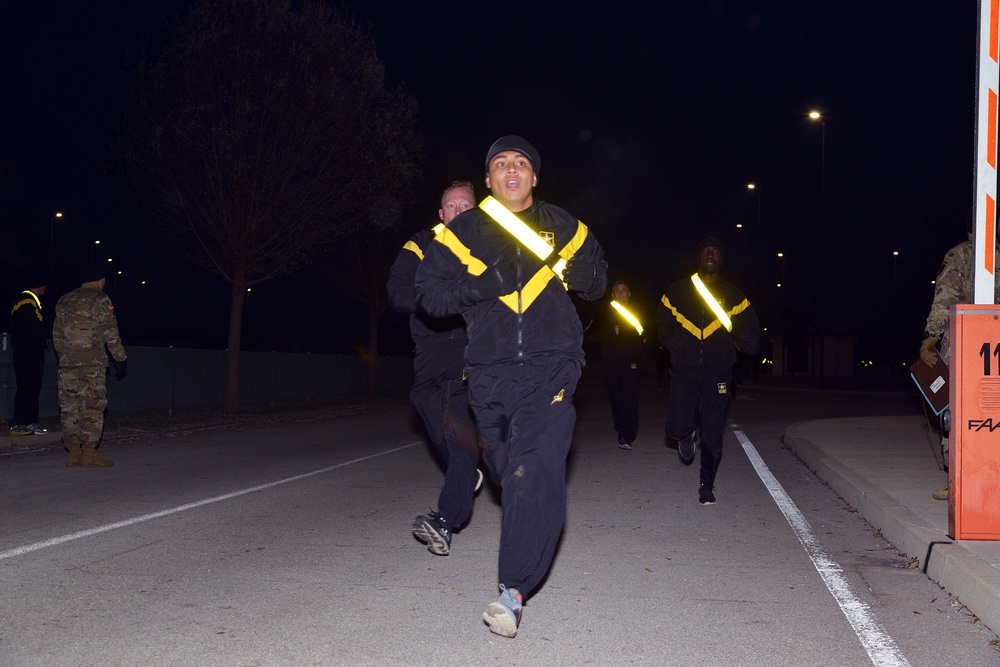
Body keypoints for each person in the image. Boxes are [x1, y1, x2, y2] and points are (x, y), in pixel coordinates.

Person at [415, 135, 608, 638]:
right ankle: (504, 479)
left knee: (537, 465)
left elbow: (597, 280)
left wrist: (585, 273)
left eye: (521, 162)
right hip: (489, 370)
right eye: (501, 163)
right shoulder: (464, 231)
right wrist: (481, 286)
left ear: (534, 176)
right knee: (506, 465)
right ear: (490, 178)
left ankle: (513, 591)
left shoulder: (564, 224)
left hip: (553, 366)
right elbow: (428, 295)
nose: (511, 169)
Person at [386, 180, 483, 556]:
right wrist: (439, 302)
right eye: (451, 206)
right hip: (428, 352)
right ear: (441, 215)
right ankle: (467, 470)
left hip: (471, 352)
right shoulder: (422, 243)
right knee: (433, 421)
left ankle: (446, 519)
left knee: (458, 430)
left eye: (466, 206)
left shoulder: (488, 246)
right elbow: (397, 290)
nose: (458, 212)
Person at [655, 236, 760, 505]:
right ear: (698, 257)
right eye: (705, 250)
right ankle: (686, 433)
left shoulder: (734, 296)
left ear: (721, 258)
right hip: (684, 371)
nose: (710, 254)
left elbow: (750, 332)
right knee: (675, 427)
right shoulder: (677, 291)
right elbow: (662, 321)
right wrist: (672, 343)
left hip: (718, 373)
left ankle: (706, 485)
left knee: (713, 436)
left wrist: (745, 340)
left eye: (716, 251)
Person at [918, 226, 1000, 500]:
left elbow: (945, 297)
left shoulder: (961, 254)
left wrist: (930, 338)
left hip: (965, 341)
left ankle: (958, 481)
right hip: (995, 343)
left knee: (956, 407)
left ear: (968, 231)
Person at [52, 261, 127, 467]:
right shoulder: (100, 300)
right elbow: (110, 331)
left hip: (67, 365)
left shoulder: (64, 300)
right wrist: (119, 358)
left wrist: (64, 357)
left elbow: (56, 335)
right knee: (92, 407)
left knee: (69, 407)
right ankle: (89, 453)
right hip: (92, 365)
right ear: (101, 280)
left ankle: (73, 453)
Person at [593, 280, 646, 450]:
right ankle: (620, 424)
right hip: (611, 359)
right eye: (617, 290)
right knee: (616, 397)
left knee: (628, 396)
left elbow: (647, 332)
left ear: (629, 293)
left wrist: (639, 340)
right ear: (612, 295)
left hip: (631, 359)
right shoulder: (604, 312)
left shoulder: (639, 310)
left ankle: (626, 436)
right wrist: (610, 332)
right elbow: (592, 334)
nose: (621, 293)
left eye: (624, 290)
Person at [8, 274, 49, 436]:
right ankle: (19, 423)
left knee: (31, 387)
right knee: (27, 387)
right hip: (28, 353)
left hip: (27, 352)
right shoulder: (27, 301)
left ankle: (29, 422)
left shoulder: (27, 300)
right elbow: (32, 329)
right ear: (40, 285)